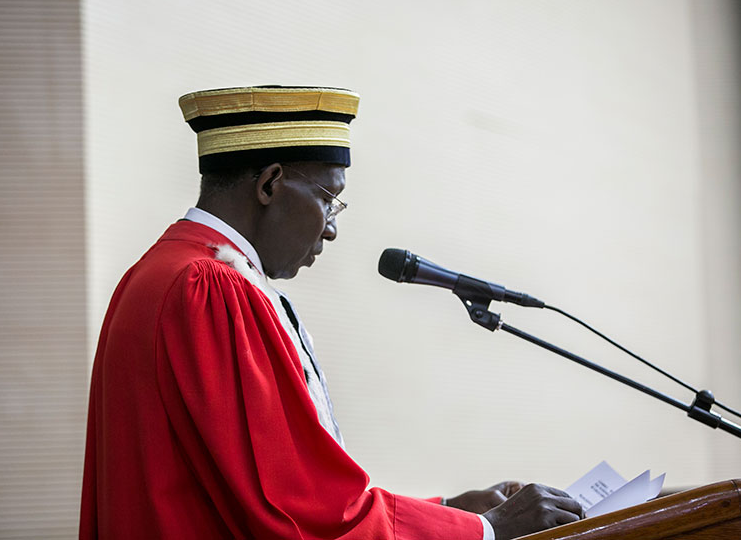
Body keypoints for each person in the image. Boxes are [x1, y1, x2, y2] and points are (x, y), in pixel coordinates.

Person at [79, 86, 584, 539]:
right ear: (270, 184)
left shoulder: (155, 274)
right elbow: (295, 513)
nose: (331, 229)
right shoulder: (212, 289)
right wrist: (488, 530)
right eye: (329, 199)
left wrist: (451, 510)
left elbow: (282, 495)